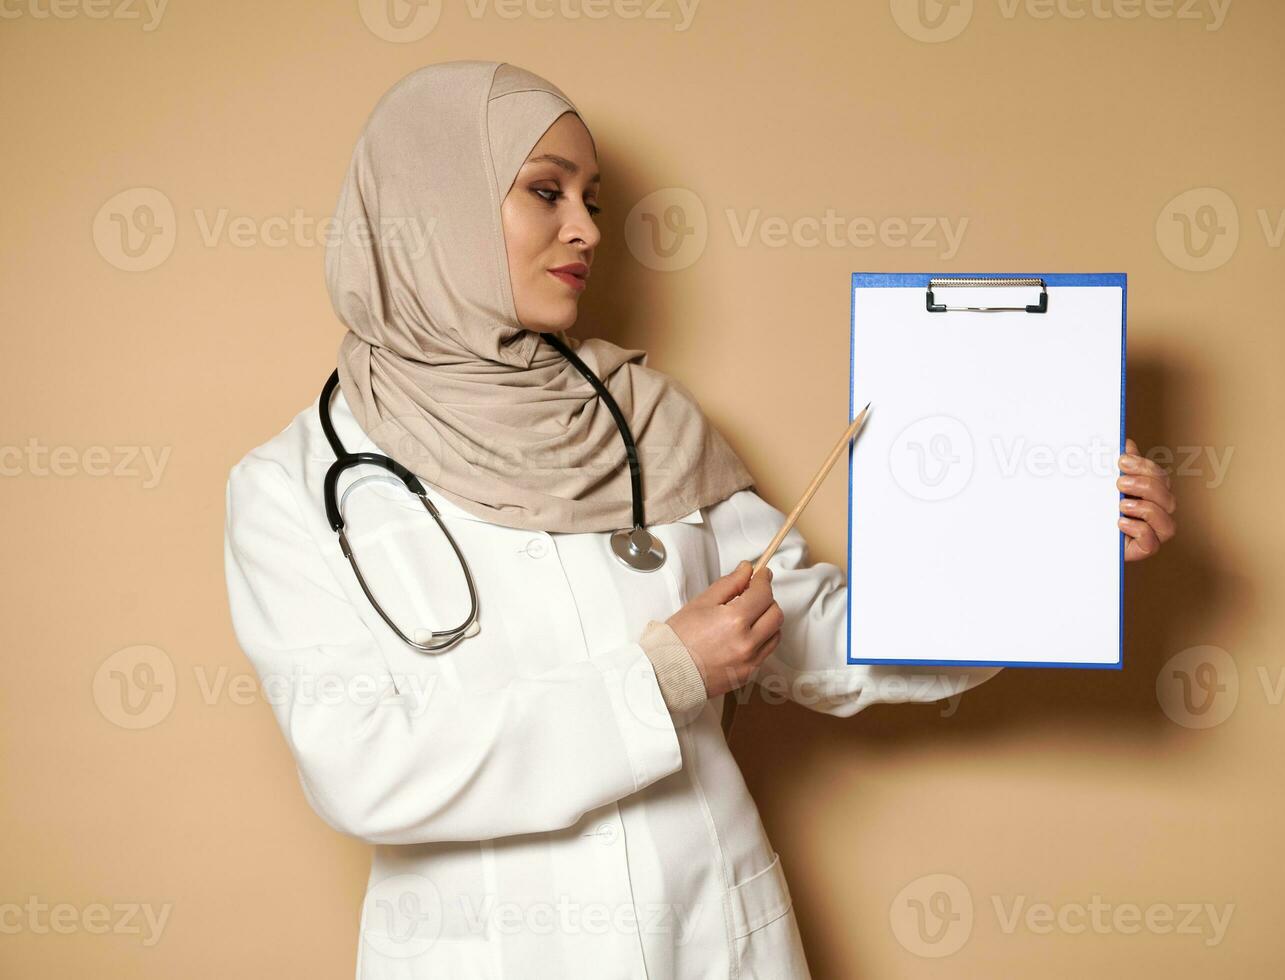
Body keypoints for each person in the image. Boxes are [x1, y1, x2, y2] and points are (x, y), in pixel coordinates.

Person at [222, 60, 1177, 980]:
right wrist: (663, 676)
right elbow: (363, 770)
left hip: (710, 937)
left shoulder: (645, 421)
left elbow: (829, 643)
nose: (585, 230)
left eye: (590, 199)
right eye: (545, 192)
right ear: (431, 207)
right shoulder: (291, 485)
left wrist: (1050, 548)